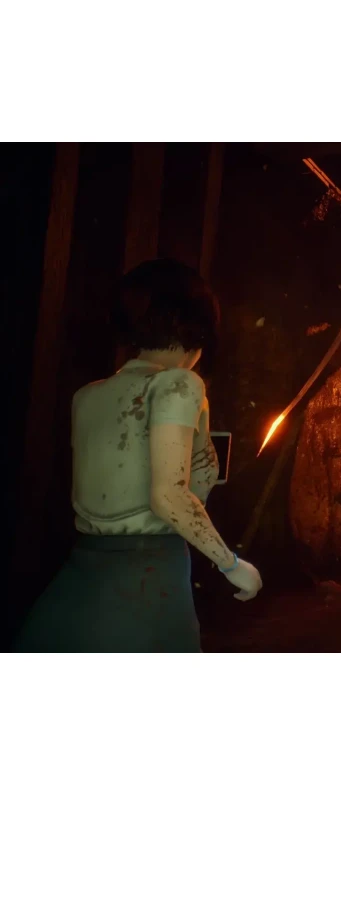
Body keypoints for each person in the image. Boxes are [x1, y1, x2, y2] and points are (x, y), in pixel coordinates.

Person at [14, 258, 262, 652]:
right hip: (147, 579)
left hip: (79, 578)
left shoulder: (87, 396)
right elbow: (169, 496)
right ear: (198, 327)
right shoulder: (180, 384)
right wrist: (231, 564)